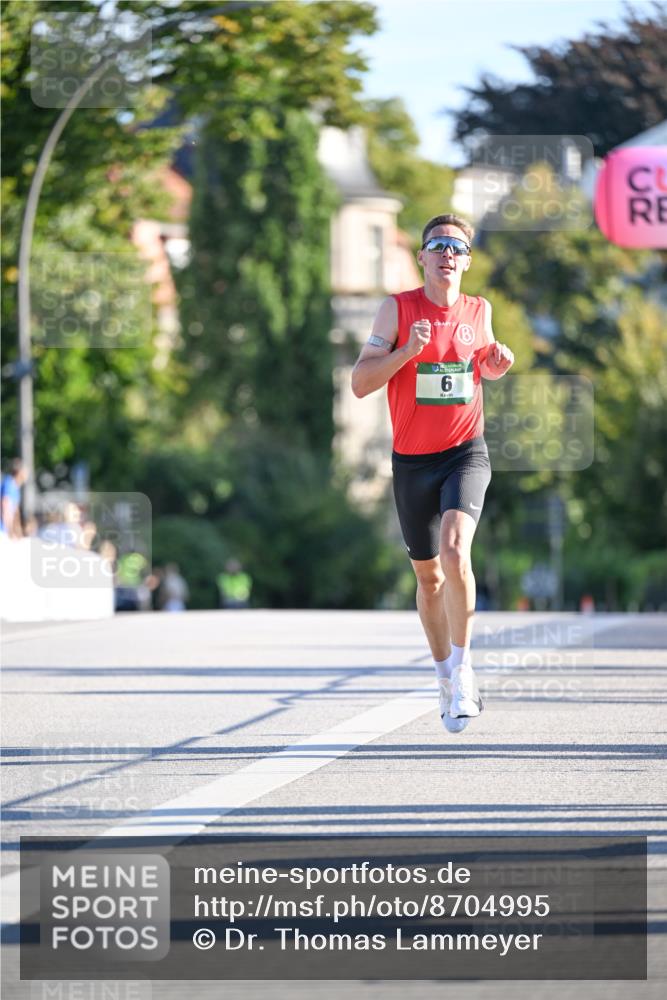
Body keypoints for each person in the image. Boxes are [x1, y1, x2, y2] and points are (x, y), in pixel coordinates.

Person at [351, 213, 514, 733]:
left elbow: (481, 364)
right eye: (437, 245)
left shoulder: (478, 309)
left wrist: (496, 363)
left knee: (455, 548)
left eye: (457, 247)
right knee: (428, 578)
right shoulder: (396, 310)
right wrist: (407, 351)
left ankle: (465, 672)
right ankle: (444, 677)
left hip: (466, 452)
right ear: (422, 257)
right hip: (412, 464)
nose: (447, 253)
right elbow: (359, 383)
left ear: (467, 260)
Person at [0, 458, 28, 539]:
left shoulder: (15, 488)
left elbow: (15, 512)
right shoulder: (9, 484)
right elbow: (5, 507)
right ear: (20, 472)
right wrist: (10, 531)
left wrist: (17, 531)